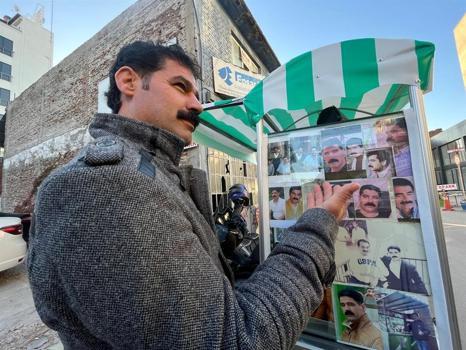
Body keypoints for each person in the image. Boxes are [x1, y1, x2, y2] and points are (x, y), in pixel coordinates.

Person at [28, 41, 360, 348]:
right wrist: (317, 228)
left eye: (197, 94)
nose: (197, 105)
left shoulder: (151, 173)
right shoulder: (106, 184)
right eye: (180, 87)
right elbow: (236, 339)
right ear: (128, 82)